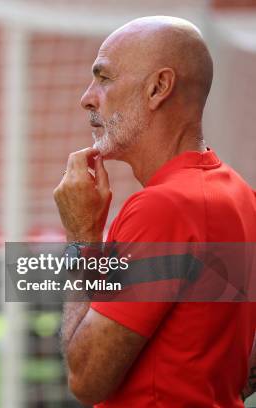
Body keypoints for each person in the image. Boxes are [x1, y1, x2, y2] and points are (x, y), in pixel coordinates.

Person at [53, 16, 256, 407]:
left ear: (158, 88)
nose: (88, 97)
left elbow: (86, 379)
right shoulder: (242, 195)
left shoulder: (161, 208)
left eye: (104, 78)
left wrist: (82, 236)